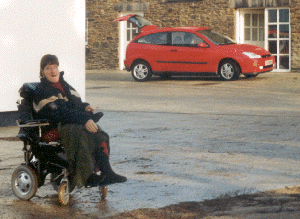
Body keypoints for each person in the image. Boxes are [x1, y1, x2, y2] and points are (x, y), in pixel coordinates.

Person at [32, 54, 127, 189]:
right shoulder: (42, 91)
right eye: (48, 68)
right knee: (81, 132)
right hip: (52, 127)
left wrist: (85, 107)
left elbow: (75, 104)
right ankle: (86, 176)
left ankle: (107, 172)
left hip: (68, 122)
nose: (53, 71)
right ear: (42, 72)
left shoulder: (64, 85)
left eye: (55, 67)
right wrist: (84, 119)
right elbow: (60, 113)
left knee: (99, 133)